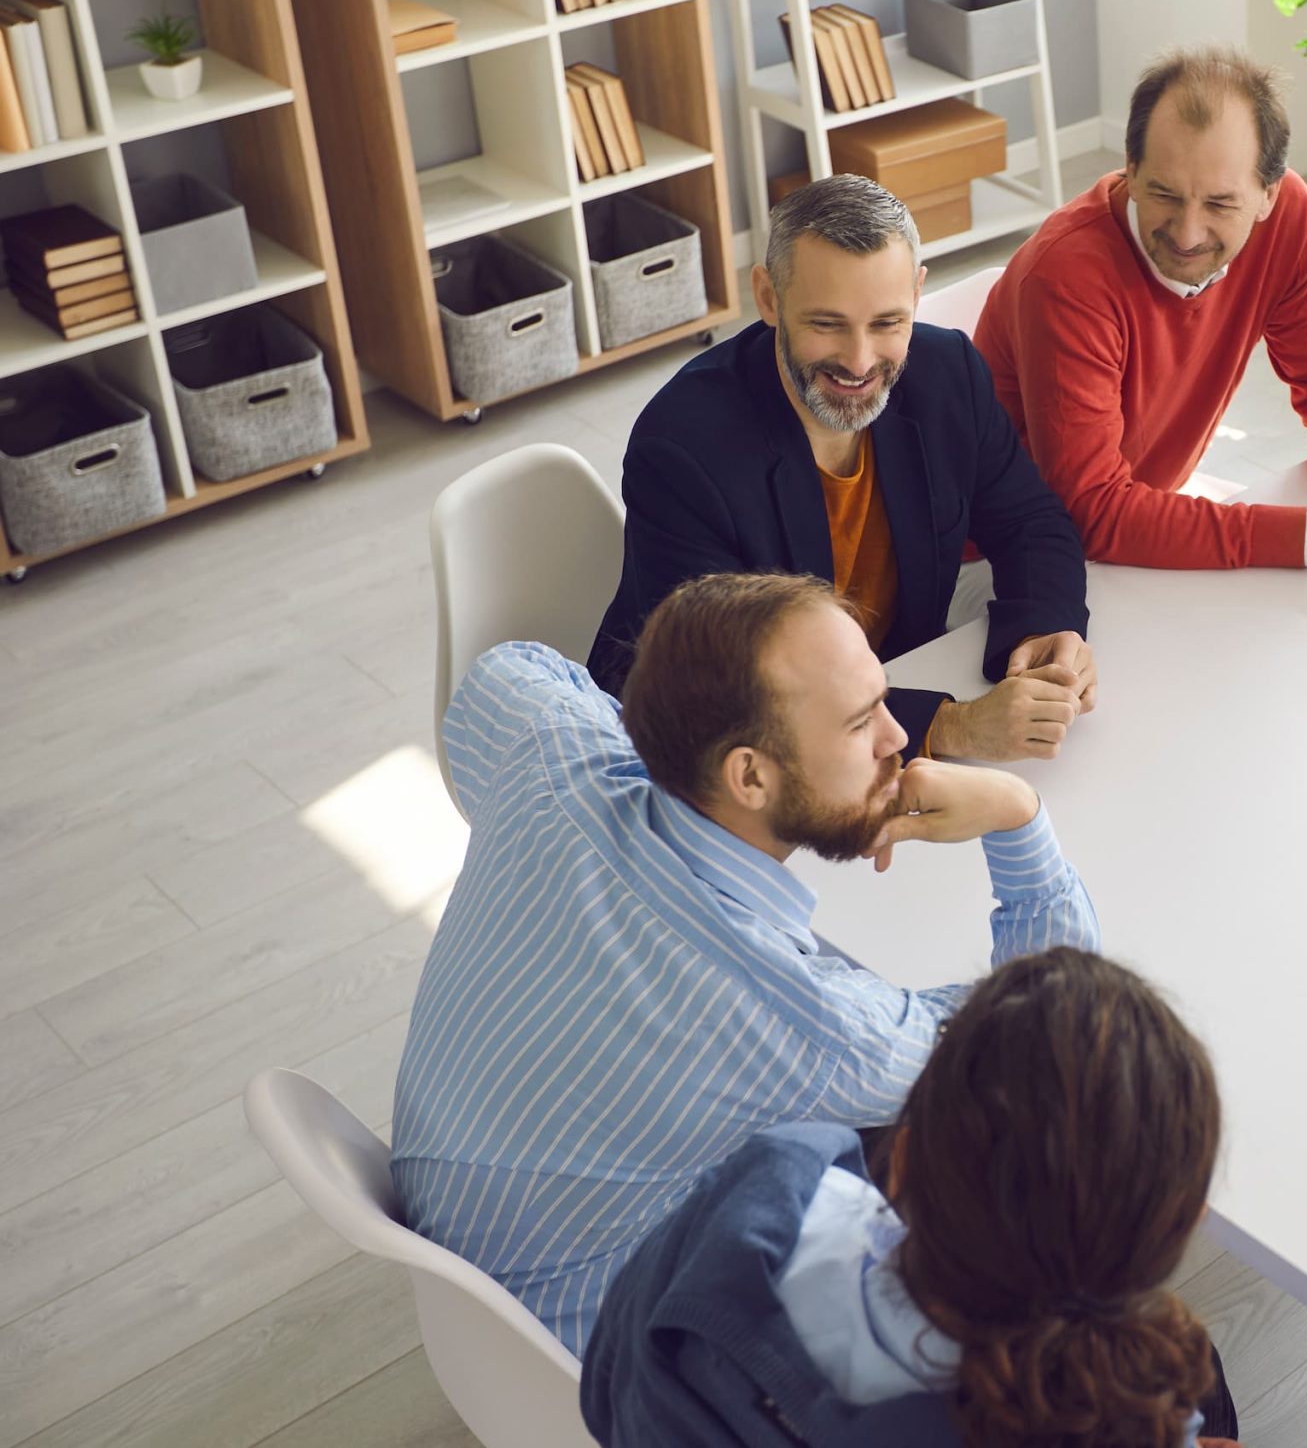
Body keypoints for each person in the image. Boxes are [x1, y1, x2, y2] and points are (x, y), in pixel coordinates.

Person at [393, 572, 1100, 1354]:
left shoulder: (552, 752)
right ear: (750, 776)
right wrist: (1016, 815)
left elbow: (502, 670)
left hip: (447, 1228)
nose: (899, 737)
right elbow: (1056, 1027)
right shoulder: (804, 1018)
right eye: (862, 720)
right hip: (602, 1355)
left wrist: (664, 740)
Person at [581, 947, 1244, 1448]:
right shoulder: (1121, 1420)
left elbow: (606, 1373)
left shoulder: (772, 1183)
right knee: (1202, 1372)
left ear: (898, 1162)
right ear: (1177, 1233)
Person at [590, 175, 1095, 765]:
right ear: (769, 297)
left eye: (887, 323)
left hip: (880, 688)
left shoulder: (948, 372)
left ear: (917, 291)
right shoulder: (681, 448)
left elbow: (1030, 522)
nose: (859, 362)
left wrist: (1044, 631)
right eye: (827, 324)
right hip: (705, 749)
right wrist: (949, 727)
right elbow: (724, 686)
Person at [975, 45, 1307, 580]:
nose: (1188, 234)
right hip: (1002, 558)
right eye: (1163, 194)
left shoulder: (1287, 220)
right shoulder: (1066, 275)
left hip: (1130, 528)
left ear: (1268, 195)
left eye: (1219, 204)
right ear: (1131, 168)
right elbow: (1091, 511)